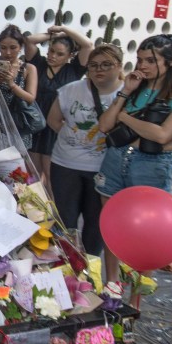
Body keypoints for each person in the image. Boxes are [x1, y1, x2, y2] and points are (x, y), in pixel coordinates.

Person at [96, 34, 172, 300]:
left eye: (151, 60)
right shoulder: (136, 87)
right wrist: (125, 93)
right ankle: (112, 287)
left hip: (150, 167)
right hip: (115, 160)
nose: (143, 65)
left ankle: (135, 301)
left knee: (147, 234)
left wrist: (125, 117)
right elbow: (106, 125)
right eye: (140, 59)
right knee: (112, 227)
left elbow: (163, 135)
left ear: (170, 62)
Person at [47, 45, 123, 256]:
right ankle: (66, 264)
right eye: (93, 65)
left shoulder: (126, 94)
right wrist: (76, 139)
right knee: (65, 218)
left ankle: (90, 269)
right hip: (65, 164)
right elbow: (53, 120)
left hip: (103, 168)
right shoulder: (71, 89)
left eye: (106, 65)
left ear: (119, 66)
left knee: (96, 222)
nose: (99, 70)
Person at [24, 25, 93, 191]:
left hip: (55, 125)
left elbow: (88, 45)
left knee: (51, 173)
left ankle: (55, 212)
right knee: (32, 172)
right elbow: (29, 40)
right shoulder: (38, 64)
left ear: (70, 56)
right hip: (35, 123)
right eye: (51, 51)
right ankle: (34, 210)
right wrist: (53, 35)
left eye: (60, 53)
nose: (53, 56)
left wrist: (64, 29)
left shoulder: (74, 70)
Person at [0, 24, 39, 149]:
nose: (8, 52)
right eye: (3, 48)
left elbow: (30, 98)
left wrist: (12, 84)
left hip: (18, 122)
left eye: (13, 48)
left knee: (16, 162)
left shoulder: (28, 69)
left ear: (21, 47)